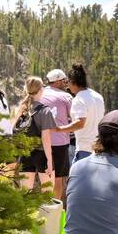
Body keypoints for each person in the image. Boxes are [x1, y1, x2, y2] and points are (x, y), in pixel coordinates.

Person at [12, 76, 56, 191]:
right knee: (48, 194)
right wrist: (50, 161)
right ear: (41, 89)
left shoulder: (21, 108)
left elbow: (11, 129)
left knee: (25, 194)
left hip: (25, 153)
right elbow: (45, 138)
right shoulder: (45, 111)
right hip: (41, 154)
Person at [56, 62, 106, 163]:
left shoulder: (79, 99)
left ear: (72, 82)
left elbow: (80, 123)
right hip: (98, 148)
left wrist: (58, 129)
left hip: (84, 149)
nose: (68, 86)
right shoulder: (98, 96)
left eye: (68, 82)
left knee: (77, 178)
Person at [40, 68, 74, 200]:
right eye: (64, 81)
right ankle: (55, 208)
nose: (66, 84)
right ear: (58, 82)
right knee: (58, 178)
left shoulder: (40, 94)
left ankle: (44, 207)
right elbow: (74, 117)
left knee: (44, 177)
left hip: (41, 142)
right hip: (60, 142)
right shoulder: (66, 97)